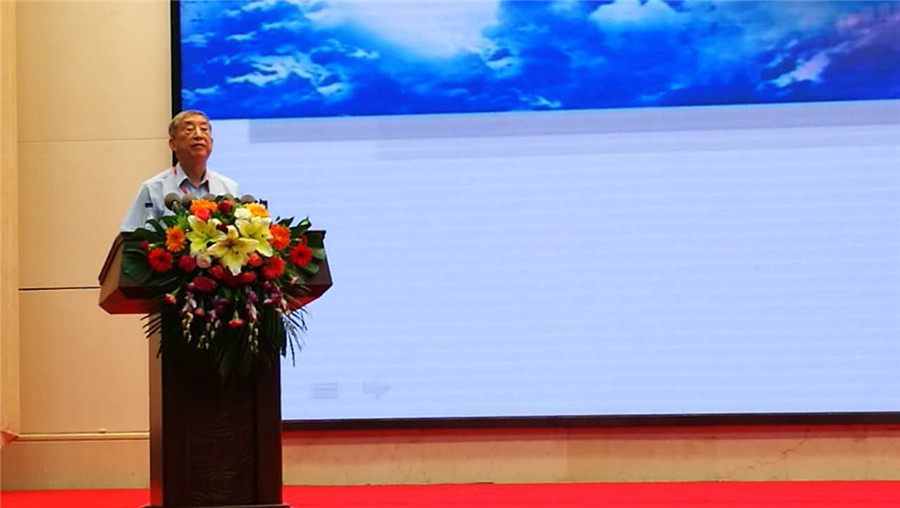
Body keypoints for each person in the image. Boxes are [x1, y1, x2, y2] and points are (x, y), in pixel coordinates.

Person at [119, 110, 241, 231]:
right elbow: (129, 235)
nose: (199, 135)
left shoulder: (229, 189)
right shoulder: (153, 188)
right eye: (189, 129)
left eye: (204, 129)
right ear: (173, 144)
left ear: (211, 143)